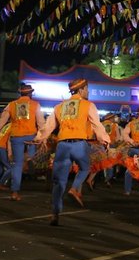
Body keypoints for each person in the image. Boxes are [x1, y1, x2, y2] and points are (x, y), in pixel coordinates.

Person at [34, 78, 110, 226]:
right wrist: (105, 140)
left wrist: (38, 138)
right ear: (81, 90)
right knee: (85, 167)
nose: (88, 92)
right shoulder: (88, 105)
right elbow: (97, 125)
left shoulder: (59, 107)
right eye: (87, 89)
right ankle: (75, 189)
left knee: (59, 183)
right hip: (79, 144)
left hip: (62, 146)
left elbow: (48, 127)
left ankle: (55, 214)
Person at [0, 85, 45, 200]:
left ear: (20, 93)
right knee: (31, 151)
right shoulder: (35, 105)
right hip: (30, 136)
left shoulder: (11, 105)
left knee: (17, 165)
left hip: (16, 136)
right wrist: (43, 137)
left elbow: (1, 121)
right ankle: (29, 157)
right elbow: (41, 123)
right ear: (31, 94)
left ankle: (14, 192)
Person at [121, 106, 139, 195]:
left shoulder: (132, 123)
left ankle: (127, 190)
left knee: (130, 169)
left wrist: (131, 141)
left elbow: (124, 134)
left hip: (133, 149)